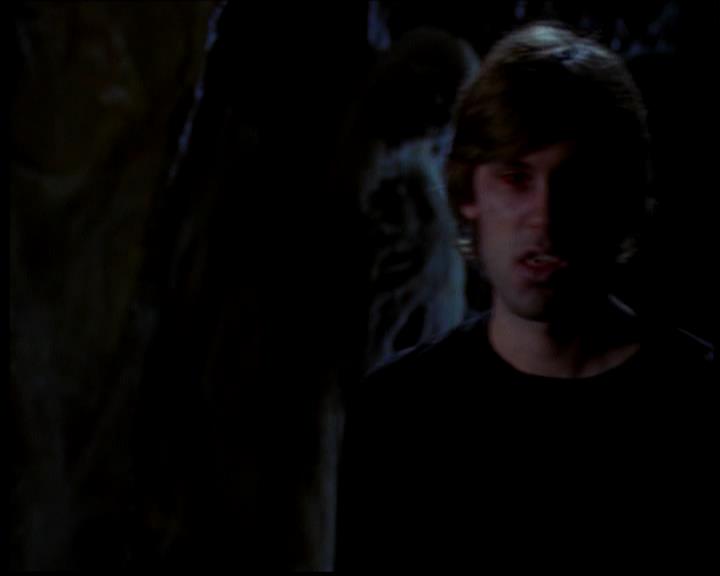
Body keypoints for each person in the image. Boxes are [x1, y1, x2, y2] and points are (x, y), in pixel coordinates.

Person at [336, 21, 714, 569]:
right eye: (516, 178)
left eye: (576, 179)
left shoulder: (699, 402)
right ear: (470, 193)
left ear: (620, 196)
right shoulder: (397, 417)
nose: (544, 216)